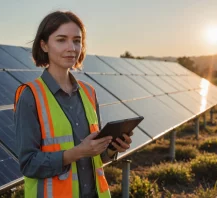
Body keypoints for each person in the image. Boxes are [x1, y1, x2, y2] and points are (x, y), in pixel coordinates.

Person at [14, 11, 133, 198]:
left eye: (77, 41)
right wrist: (75, 153)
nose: (71, 47)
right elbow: (28, 164)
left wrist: (111, 148)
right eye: (61, 40)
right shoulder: (31, 96)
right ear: (44, 45)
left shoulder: (89, 92)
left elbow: (96, 157)